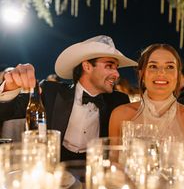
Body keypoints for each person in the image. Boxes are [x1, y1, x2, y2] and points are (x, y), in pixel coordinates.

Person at [0, 35, 137, 161]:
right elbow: (6, 111)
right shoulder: (50, 91)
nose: (117, 74)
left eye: (116, 67)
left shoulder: (119, 102)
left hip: (95, 172)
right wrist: (9, 87)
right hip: (53, 172)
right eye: (109, 66)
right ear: (87, 66)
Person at [109, 43, 184, 142]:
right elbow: (113, 158)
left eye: (169, 67)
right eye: (153, 66)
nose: (161, 72)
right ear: (141, 74)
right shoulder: (120, 116)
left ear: (178, 75)